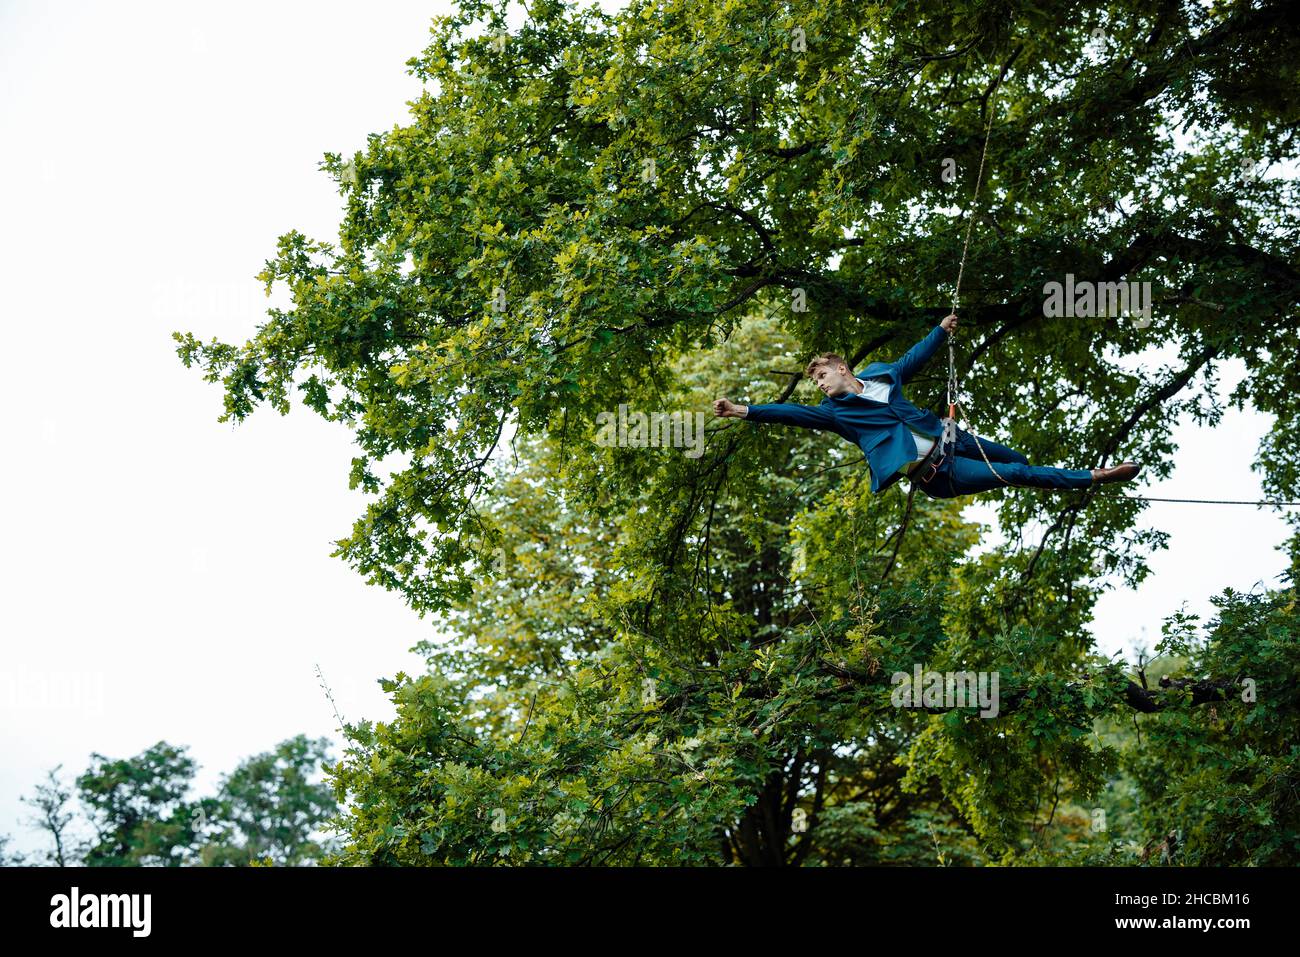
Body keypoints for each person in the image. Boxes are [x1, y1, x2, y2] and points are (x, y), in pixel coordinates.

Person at [712, 313, 1140, 499]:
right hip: (937, 473)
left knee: (1017, 461)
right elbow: (791, 415)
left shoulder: (881, 375)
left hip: (947, 436)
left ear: (842, 368)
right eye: (817, 382)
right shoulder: (836, 415)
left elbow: (910, 360)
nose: (821, 385)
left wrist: (939, 331)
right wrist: (742, 410)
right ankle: (1094, 476)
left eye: (823, 376)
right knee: (1011, 473)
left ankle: (1053, 479)